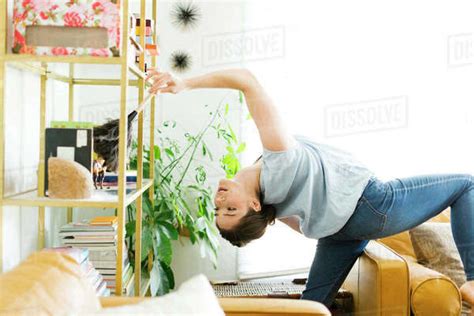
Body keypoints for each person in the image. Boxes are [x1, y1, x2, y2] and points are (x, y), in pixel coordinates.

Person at [146, 68, 474, 311]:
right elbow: (247, 80)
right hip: (371, 205)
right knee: (466, 185)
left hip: (339, 235)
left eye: (219, 210)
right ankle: (472, 280)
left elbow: (305, 230)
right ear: (253, 205)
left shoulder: (272, 198)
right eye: (230, 210)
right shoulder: (280, 161)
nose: (219, 202)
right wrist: (186, 83)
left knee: (311, 306)